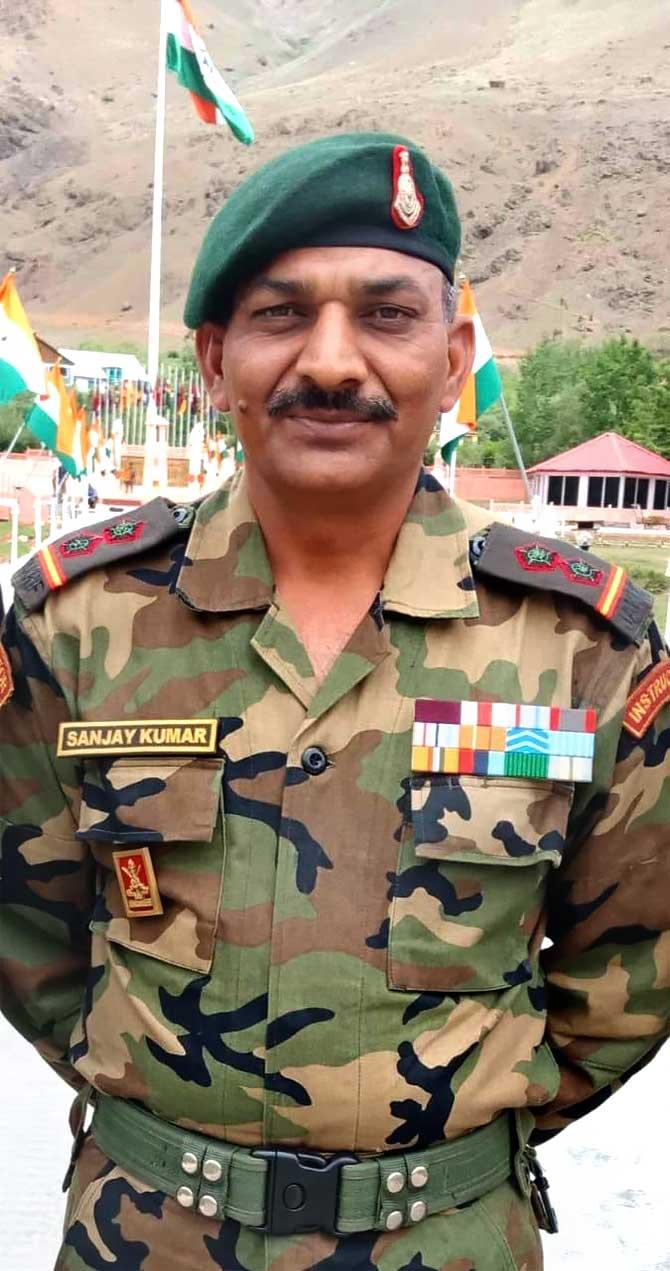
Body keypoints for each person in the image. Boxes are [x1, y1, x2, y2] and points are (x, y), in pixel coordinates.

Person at [1, 132, 669, 1271]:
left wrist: (447, 1129)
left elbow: (632, 963)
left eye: (386, 314)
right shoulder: (77, 618)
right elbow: (25, 927)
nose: (330, 361)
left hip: (451, 1239)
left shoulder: (580, 643)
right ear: (214, 361)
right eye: (279, 314)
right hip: (144, 1232)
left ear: (454, 357)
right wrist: (170, 1104)